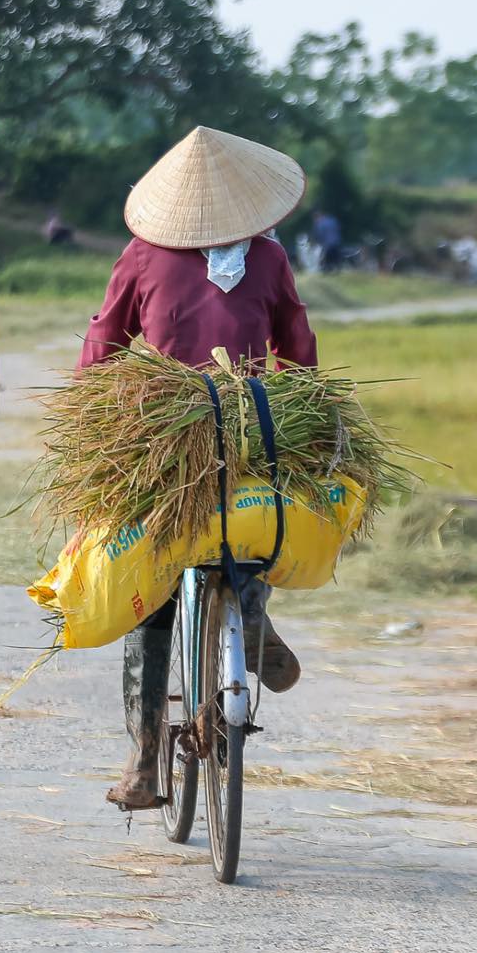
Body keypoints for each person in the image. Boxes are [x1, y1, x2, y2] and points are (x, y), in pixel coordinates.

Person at [79, 126, 316, 810]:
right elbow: (297, 349)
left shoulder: (143, 254)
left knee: (148, 600)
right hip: (249, 426)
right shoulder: (268, 259)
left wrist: (94, 418)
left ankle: (146, 763)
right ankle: (252, 616)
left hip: (162, 437)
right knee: (251, 531)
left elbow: (104, 344)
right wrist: (302, 413)